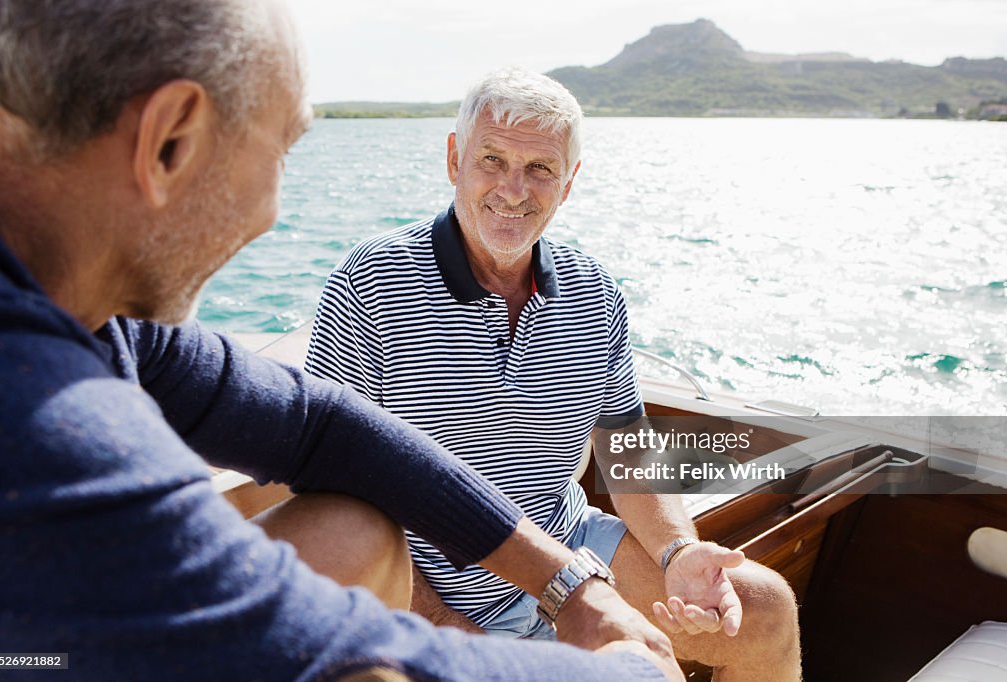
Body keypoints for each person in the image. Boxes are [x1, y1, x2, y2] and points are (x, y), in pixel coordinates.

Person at [0, 2, 684, 680]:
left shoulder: (94, 318)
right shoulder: (30, 400)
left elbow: (327, 427)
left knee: (353, 526)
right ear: (172, 137)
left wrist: (567, 585)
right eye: (285, 149)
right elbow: (282, 633)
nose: (274, 212)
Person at [306, 67, 802, 680]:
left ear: (568, 183)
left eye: (540, 168)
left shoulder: (594, 289)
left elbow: (628, 453)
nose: (514, 190)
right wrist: (463, 644)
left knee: (765, 610)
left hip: (571, 552)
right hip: (431, 589)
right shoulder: (368, 287)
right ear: (455, 158)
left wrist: (678, 551)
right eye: (493, 159)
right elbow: (337, 504)